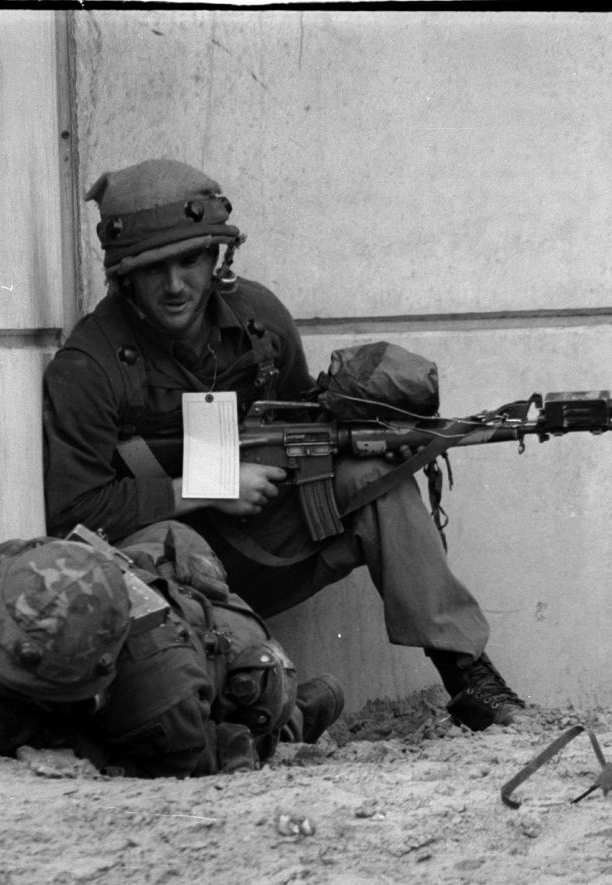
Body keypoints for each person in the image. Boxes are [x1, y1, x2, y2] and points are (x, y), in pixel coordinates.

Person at [41, 157, 525, 731]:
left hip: (263, 544)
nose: (175, 285)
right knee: (168, 551)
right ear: (124, 274)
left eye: (191, 260)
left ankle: (469, 676)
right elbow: (72, 512)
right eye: (154, 269)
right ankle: (275, 713)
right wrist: (204, 491)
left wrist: (372, 443)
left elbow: (306, 422)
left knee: (376, 483)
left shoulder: (258, 321)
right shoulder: (89, 367)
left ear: (218, 255)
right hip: (169, 579)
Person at [0, 521, 344, 778]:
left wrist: (45, 735)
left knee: (248, 730)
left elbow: (183, 766)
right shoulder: (9, 570)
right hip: (165, 579)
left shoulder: (157, 699)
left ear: (97, 681)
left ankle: (298, 719)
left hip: (228, 647)